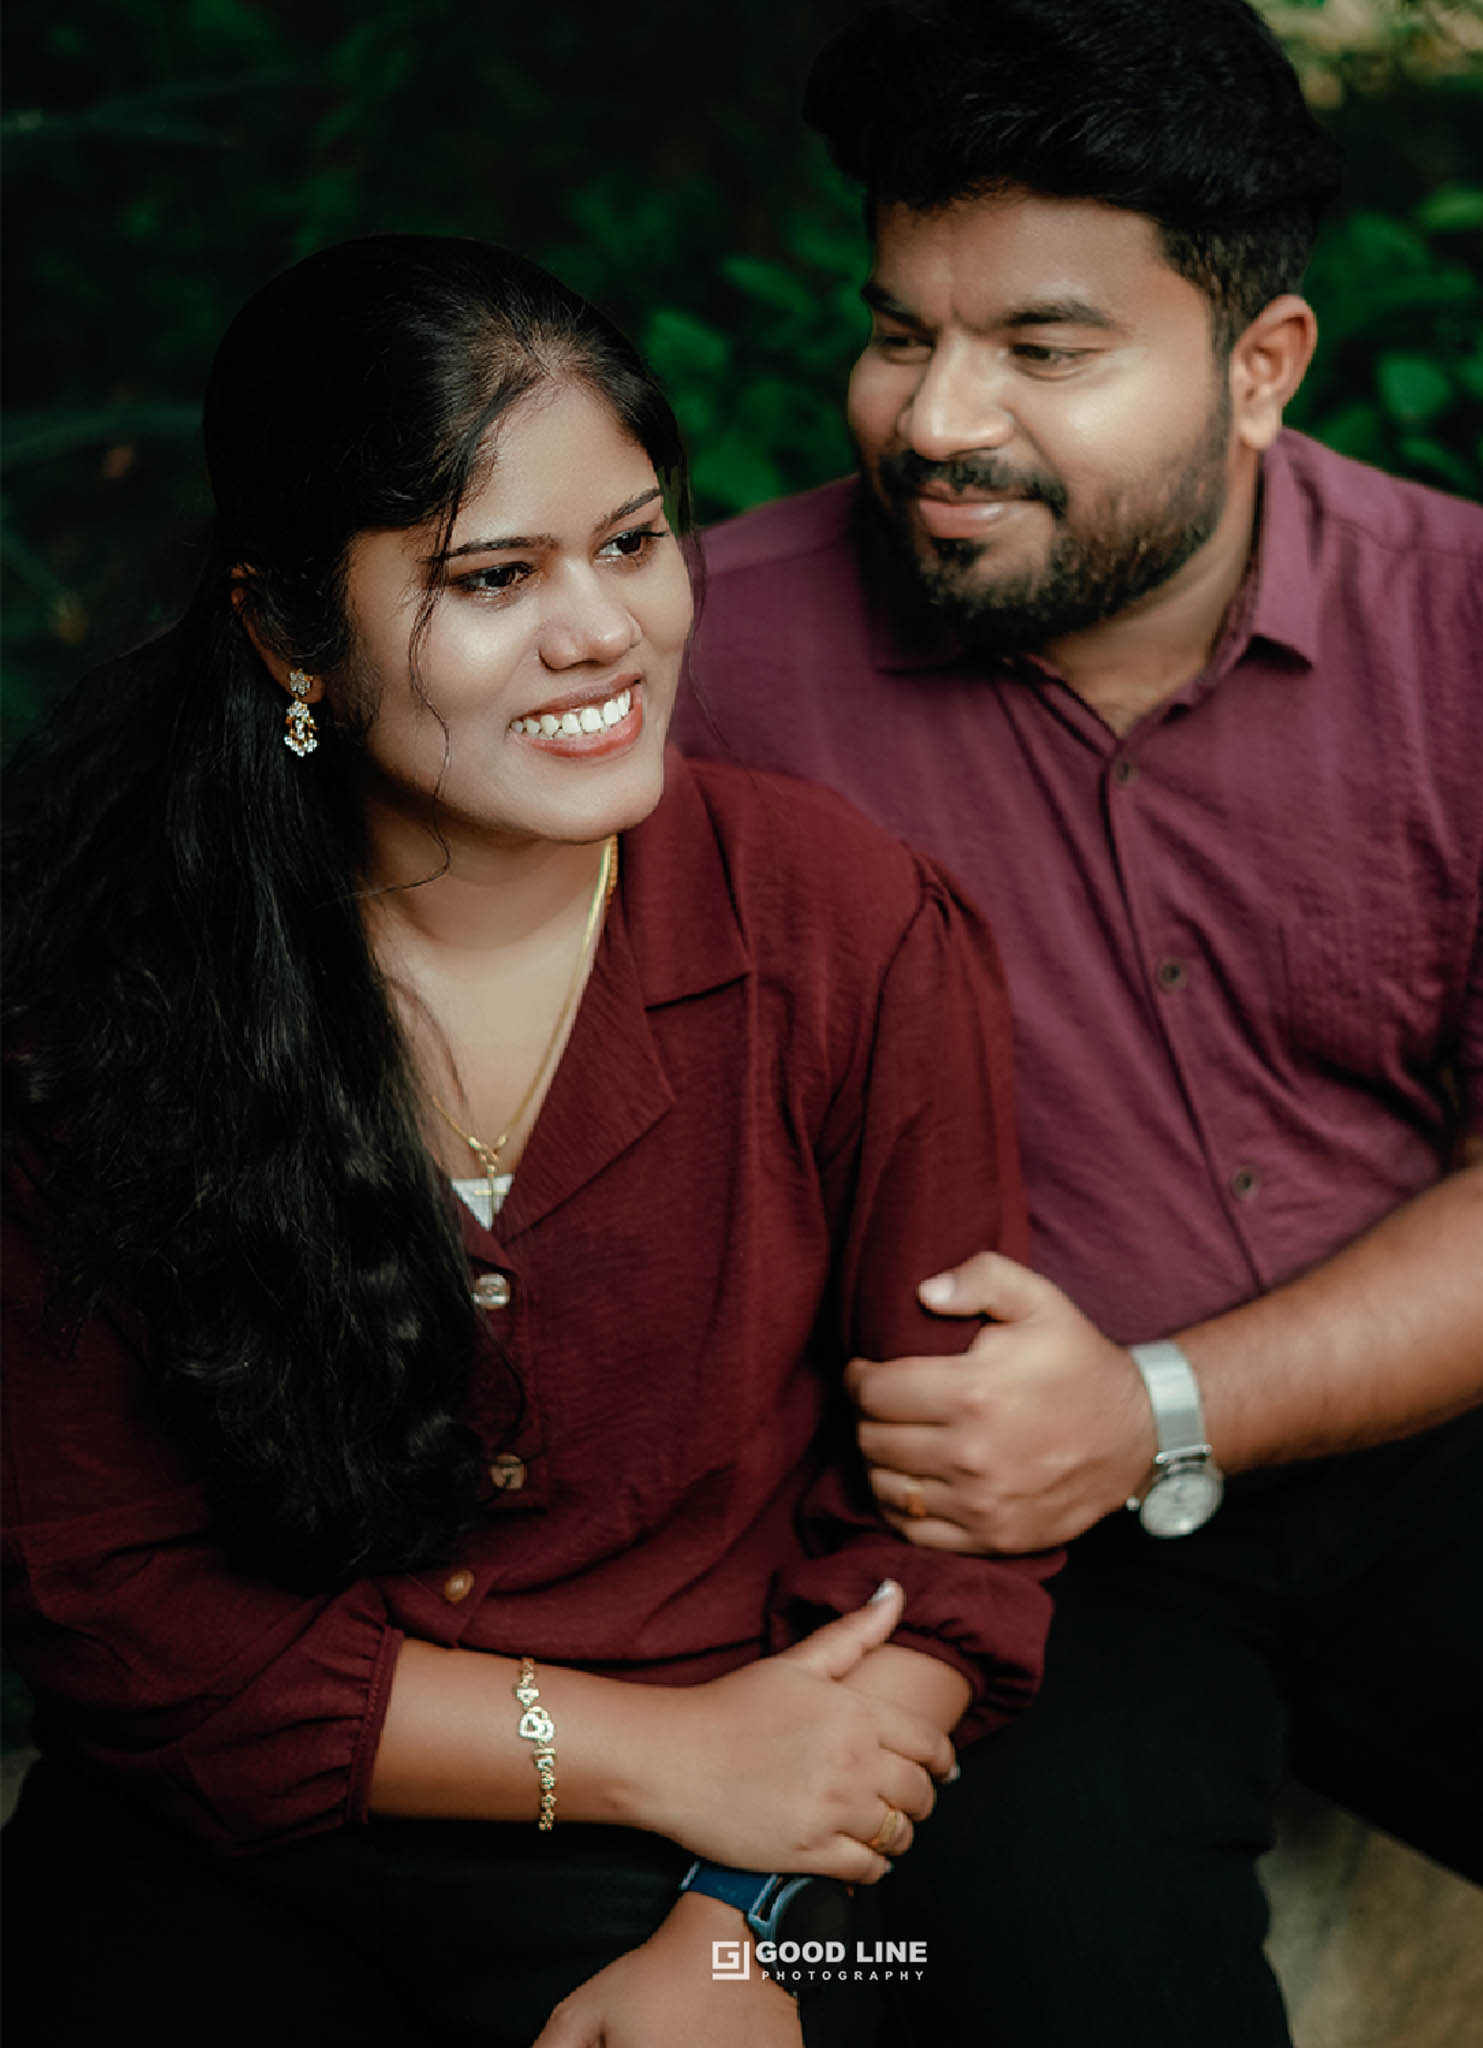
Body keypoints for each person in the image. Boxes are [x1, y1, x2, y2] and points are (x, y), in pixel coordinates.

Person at [672, 1, 1483, 2040]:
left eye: (1041, 348)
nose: (935, 418)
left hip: (1433, 1425)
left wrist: (1163, 1404)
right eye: (898, 330)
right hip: (983, 1539)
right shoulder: (699, 674)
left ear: (1260, 363)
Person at [0, 233, 1059, 2048]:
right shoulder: (96, 999)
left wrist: (743, 1925)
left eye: (634, 542)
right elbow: (103, 1598)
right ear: (283, 627)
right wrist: (660, 1755)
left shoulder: (845, 926)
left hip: (730, 1867)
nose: (602, 632)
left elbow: (946, 1533)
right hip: (228, 1818)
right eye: (492, 575)